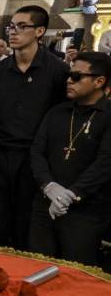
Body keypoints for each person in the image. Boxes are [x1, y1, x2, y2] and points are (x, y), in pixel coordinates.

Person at [0, 4, 70, 249]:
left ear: (40, 31)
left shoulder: (58, 70)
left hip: (35, 156)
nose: (14, 32)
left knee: (27, 223)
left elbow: (60, 117)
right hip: (1, 152)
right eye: (11, 26)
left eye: (22, 26)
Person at [28, 52, 111, 264]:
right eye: (69, 75)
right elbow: (37, 151)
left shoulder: (107, 116)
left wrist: (72, 194)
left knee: (75, 273)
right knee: (37, 266)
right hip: (45, 205)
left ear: (99, 81)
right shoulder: (57, 112)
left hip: (86, 211)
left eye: (76, 76)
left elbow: (105, 163)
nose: (68, 80)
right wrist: (48, 186)